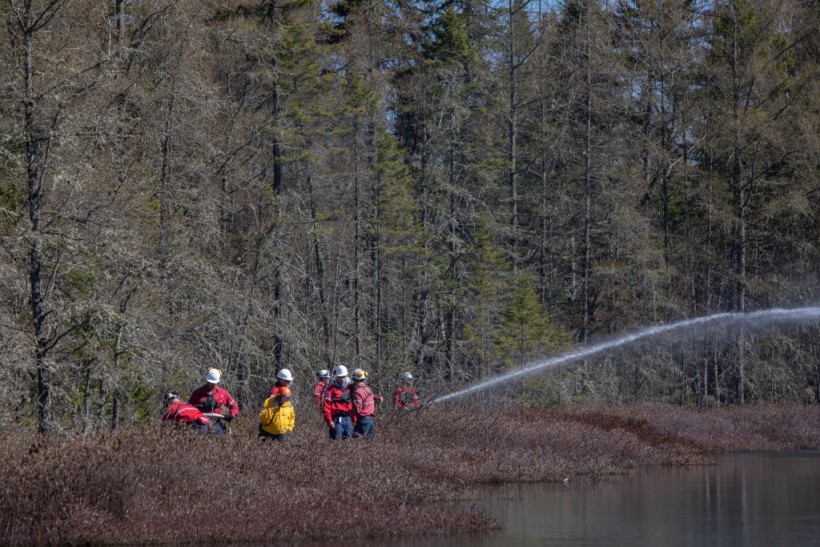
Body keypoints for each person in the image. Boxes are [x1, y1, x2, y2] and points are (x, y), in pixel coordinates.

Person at [188, 368, 239, 435]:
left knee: (222, 438)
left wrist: (232, 415)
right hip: (200, 422)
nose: (211, 385)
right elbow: (188, 407)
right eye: (210, 382)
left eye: (213, 383)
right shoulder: (197, 393)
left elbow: (234, 406)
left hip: (216, 422)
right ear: (206, 380)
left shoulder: (222, 393)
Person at [349, 368, 382, 441]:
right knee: (369, 444)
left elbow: (358, 410)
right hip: (371, 420)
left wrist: (348, 413)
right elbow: (372, 399)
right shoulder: (368, 389)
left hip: (363, 420)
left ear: (354, 379)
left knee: (356, 440)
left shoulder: (357, 392)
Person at [322, 365, 353, 440]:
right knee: (337, 439)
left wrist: (354, 420)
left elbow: (354, 405)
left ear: (347, 375)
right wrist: (329, 420)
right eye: (340, 377)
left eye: (343, 376)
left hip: (348, 418)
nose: (342, 379)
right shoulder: (331, 389)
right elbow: (327, 406)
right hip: (337, 418)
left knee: (349, 440)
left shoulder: (350, 388)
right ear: (336, 377)